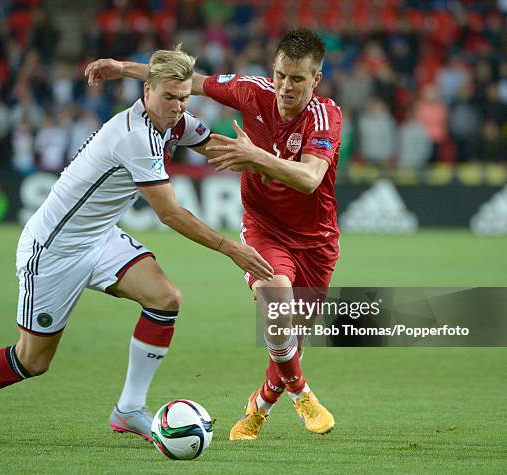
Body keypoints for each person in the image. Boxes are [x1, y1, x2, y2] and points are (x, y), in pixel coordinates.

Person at [0, 47, 272, 443]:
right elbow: (170, 214)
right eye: (168, 97)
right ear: (147, 90)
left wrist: (256, 158)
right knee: (32, 360)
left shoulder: (175, 121)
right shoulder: (135, 137)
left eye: (184, 97)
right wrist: (231, 248)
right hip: (54, 249)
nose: (177, 106)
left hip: (98, 237)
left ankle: (130, 408)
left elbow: (215, 149)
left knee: (165, 298)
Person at [85, 28, 341, 440]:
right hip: (264, 228)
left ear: (316, 80)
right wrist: (123, 69)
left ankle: (258, 407)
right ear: (271, 70)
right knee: (275, 303)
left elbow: (310, 178)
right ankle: (301, 391)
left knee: (289, 338)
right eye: (279, 75)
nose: (285, 87)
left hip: (317, 241)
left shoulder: (326, 116)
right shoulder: (250, 91)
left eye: (297, 79)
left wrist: (253, 156)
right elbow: (190, 81)